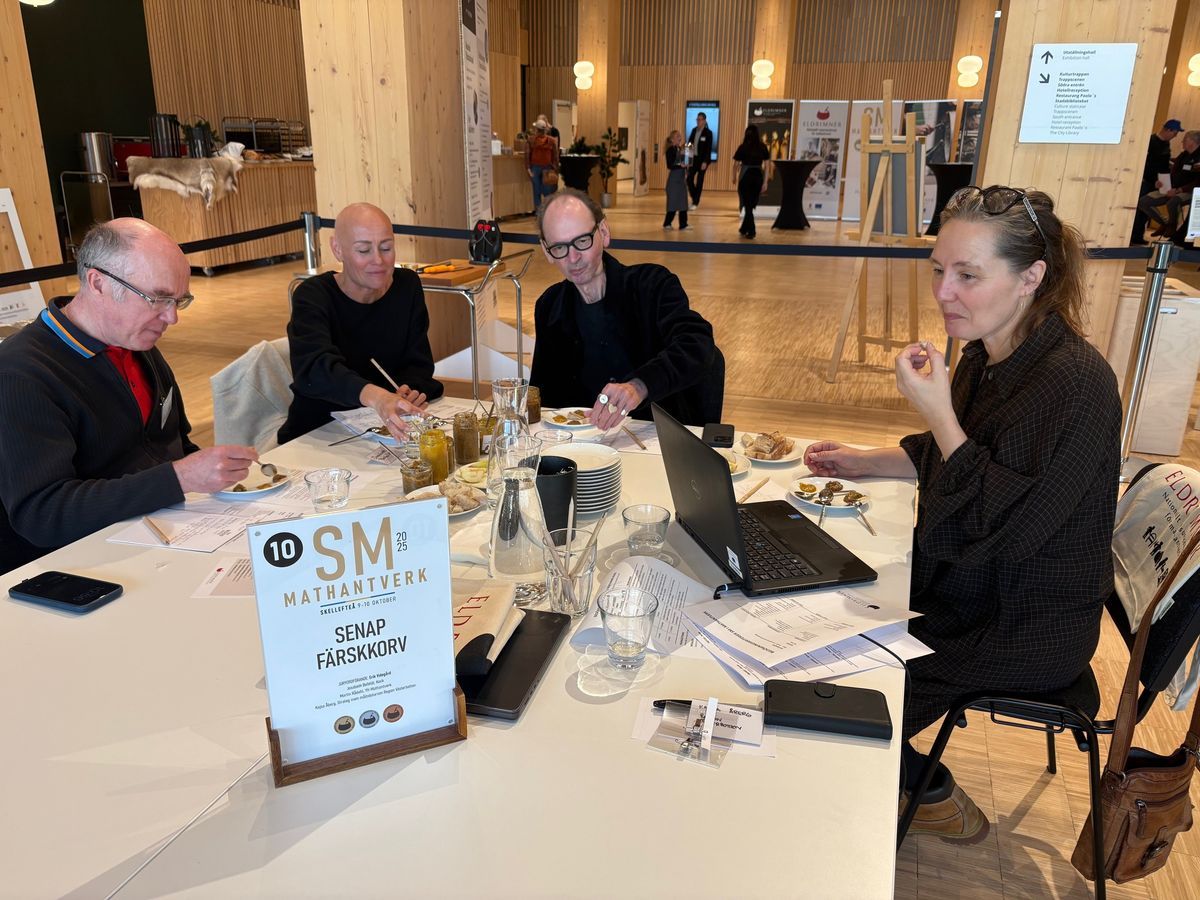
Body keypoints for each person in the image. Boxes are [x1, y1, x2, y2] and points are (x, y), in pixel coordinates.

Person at [804, 185, 1121, 841]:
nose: (944, 292)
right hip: (976, 587)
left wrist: (939, 411)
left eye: (968, 276)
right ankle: (894, 781)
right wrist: (867, 460)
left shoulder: (1074, 382)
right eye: (938, 270)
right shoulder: (990, 351)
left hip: (1022, 623)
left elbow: (996, 526)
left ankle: (926, 792)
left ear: (1031, 277)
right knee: (824, 620)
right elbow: (960, 456)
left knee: (844, 682)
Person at [0, 219, 258, 574]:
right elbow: (43, 514)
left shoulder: (136, 343)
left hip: (161, 538)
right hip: (76, 567)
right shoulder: (21, 373)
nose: (172, 317)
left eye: (179, 301)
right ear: (98, 283)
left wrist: (218, 479)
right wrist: (179, 478)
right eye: (157, 298)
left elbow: (173, 444)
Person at [530, 188, 723, 430]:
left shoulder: (653, 285)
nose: (573, 257)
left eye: (582, 241)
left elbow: (697, 344)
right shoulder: (549, 306)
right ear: (546, 251)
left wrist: (639, 386)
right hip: (583, 442)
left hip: (655, 438)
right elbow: (544, 395)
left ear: (603, 232)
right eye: (559, 247)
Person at [279, 203, 442, 444]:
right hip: (320, 431)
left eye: (386, 248)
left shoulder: (406, 286)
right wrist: (377, 397)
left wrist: (410, 390)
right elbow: (315, 370)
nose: (378, 260)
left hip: (385, 429)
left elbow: (418, 362)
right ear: (338, 249)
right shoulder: (313, 295)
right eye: (364, 250)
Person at [1136, 129, 1200, 238]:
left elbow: (1197, 182)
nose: (1182, 142)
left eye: (1185, 139)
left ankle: (1172, 226)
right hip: (1171, 188)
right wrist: (1162, 182)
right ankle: (1166, 224)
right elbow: (1173, 169)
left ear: (1192, 142)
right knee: (1143, 201)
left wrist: (1179, 190)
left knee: (1173, 201)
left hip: (1189, 192)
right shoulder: (1183, 155)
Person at [1131, 119, 1182, 245]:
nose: (1176, 136)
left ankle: (1138, 235)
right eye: (1175, 133)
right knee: (1139, 209)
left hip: (1159, 181)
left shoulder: (1166, 144)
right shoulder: (1151, 142)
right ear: (1168, 130)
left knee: (1145, 212)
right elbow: (1145, 164)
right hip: (1147, 181)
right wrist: (1153, 180)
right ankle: (1133, 236)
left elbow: (1163, 165)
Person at [733, 124, 771, 238]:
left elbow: (735, 164)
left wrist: (734, 177)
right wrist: (765, 182)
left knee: (747, 205)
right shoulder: (763, 147)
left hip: (745, 177)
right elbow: (767, 166)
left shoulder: (742, 147)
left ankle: (752, 230)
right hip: (758, 177)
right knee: (750, 204)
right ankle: (744, 228)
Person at [525, 122, 560, 213]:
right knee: (548, 192)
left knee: (536, 192)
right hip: (548, 168)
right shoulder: (552, 141)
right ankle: (548, 212)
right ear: (545, 130)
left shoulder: (531, 140)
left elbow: (527, 154)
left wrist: (528, 168)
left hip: (535, 168)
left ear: (537, 129)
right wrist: (556, 169)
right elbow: (556, 156)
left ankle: (539, 213)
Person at [662, 130, 690, 230]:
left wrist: (686, 168)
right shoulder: (670, 150)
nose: (680, 138)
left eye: (680, 136)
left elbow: (684, 162)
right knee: (672, 204)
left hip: (681, 181)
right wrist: (680, 165)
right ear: (672, 139)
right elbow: (670, 165)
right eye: (678, 136)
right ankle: (667, 224)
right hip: (673, 182)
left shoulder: (680, 149)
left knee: (683, 203)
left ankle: (683, 225)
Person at [686, 112, 713, 209]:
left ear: (704, 121)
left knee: (699, 181)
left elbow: (708, 149)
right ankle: (695, 198)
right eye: (697, 119)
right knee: (689, 179)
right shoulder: (694, 130)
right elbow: (689, 144)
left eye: (700, 119)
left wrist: (705, 162)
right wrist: (687, 160)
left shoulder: (708, 133)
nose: (698, 121)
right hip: (694, 159)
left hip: (703, 160)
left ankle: (695, 203)